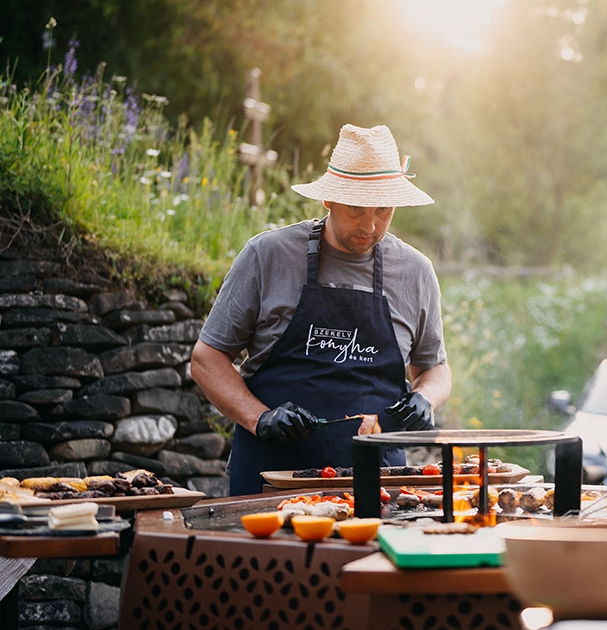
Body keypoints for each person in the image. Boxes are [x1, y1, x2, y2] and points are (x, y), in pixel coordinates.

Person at [191, 124, 452, 496]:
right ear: (328, 199)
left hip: (379, 485)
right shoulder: (268, 256)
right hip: (271, 481)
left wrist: (426, 397)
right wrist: (260, 418)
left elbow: (434, 368)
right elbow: (207, 359)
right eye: (356, 208)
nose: (369, 225)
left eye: (383, 210)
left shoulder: (415, 271)